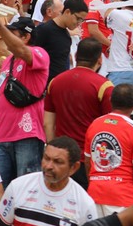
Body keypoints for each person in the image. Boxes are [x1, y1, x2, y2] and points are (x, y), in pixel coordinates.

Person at [0, 136, 97, 226]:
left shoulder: (85, 204)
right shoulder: (18, 186)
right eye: (46, 158)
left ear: (73, 168)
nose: (49, 166)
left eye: (57, 161)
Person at [0, 14, 50, 186]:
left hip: (26, 133)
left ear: (26, 37)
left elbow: (21, 50)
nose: (6, 37)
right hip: (0, 135)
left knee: (26, 191)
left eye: (12, 33)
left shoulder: (39, 53)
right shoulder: (8, 61)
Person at [44, 38, 114, 171]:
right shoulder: (104, 86)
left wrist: (53, 149)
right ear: (100, 59)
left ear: (76, 56)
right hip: (89, 157)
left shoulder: (55, 82)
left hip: (61, 156)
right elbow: (108, 127)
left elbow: (48, 123)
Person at [84, 83, 133, 215]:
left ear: (111, 101)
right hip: (121, 196)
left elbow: (88, 161)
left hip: (94, 193)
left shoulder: (94, 124)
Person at [33, 0, 88, 82]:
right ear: (67, 12)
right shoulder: (44, 30)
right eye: (78, 18)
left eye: (82, 20)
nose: (79, 23)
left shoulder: (66, 36)